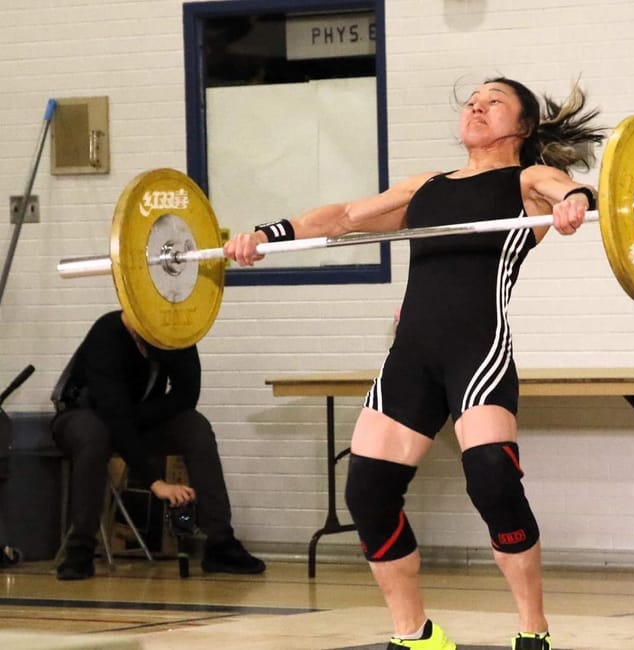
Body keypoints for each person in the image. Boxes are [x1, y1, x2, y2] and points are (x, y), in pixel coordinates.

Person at [226, 77, 604, 650]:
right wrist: (267, 234)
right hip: (412, 356)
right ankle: (416, 635)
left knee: (494, 483)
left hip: (477, 353)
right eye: (472, 99)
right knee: (368, 495)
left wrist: (576, 202)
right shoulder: (426, 186)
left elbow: (565, 189)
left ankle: (533, 629)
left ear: (523, 128)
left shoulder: (524, 181)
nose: (477, 105)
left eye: (494, 100)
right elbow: (344, 217)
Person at [51, 310, 266, 580]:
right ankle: (80, 548)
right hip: (84, 415)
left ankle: (220, 542)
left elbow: (186, 396)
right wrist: (156, 482)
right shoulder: (107, 333)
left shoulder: (175, 334)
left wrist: (136, 418)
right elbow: (114, 417)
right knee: (94, 435)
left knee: (194, 426)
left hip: (134, 416)